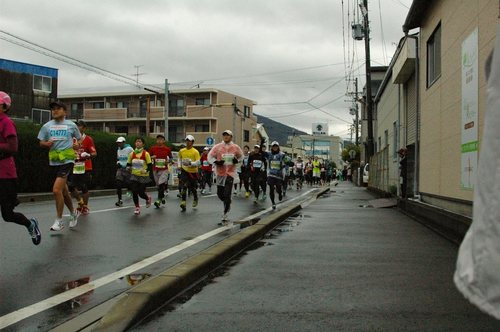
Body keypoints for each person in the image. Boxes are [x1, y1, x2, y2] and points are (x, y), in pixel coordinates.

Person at [0, 91, 41, 245]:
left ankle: (31, 225)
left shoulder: (7, 123)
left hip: (5, 174)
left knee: (7, 215)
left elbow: (12, 146)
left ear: (5, 107)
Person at [38, 101, 81, 231]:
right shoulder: (47, 126)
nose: (55, 111)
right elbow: (41, 142)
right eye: (53, 109)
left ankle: (59, 221)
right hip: (54, 160)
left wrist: (77, 145)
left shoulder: (71, 125)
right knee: (63, 191)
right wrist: (47, 144)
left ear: (65, 112)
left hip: (67, 160)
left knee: (56, 190)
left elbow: (79, 139)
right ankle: (74, 212)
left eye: (58, 109)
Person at [208, 130, 243, 222]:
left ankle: (225, 212)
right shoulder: (218, 147)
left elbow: (241, 157)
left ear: (231, 137)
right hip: (220, 173)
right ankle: (228, 201)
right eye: (224, 135)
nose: (226, 137)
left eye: (228, 135)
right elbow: (210, 157)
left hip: (230, 174)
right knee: (220, 194)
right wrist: (216, 162)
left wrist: (237, 161)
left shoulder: (235, 147)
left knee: (227, 194)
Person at [68, 120, 96, 215]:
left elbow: (94, 153)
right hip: (74, 165)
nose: (77, 127)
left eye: (79, 126)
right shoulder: (71, 139)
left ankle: (86, 206)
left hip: (85, 165)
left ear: (84, 128)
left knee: (84, 186)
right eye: (76, 125)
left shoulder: (88, 139)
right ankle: (80, 202)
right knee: (70, 185)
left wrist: (88, 154)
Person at [126, 137, 152, 215]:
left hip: (143, 176)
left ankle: (147, 198)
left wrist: (146, 170)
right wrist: (128, 166)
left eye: (139, 142)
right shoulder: (132, 154)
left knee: (141, 193)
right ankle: (137, 207)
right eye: (136, 141)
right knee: (134, 191)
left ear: (143, 144)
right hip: (134, 174)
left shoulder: (145, 153)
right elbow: (128, 163)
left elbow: (150, 165)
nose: (137, 143)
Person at [177, 135, 201, 211]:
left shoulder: (195, 152)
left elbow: (198, 162)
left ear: (192, 142)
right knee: (184, 185)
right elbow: (179, 158)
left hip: (193, 171)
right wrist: (179, 165)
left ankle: (195, 197)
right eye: (186, 141)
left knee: (192, 187)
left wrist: (190, 164)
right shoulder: (182, 151)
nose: (187, 142)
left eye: (189, 141)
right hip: (184, 170)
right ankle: (183, 202)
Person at [261, 140, 287, 210]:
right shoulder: (268, 154)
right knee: (271, 189)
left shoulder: (282, 155)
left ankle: (280, 193)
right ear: (271, 147)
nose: (275, 147)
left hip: (279, 175)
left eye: (276, 146)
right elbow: (261, 152)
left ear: (278, 147)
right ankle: (273, 203)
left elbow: (287, 160)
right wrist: (261, 143)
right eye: (273, 146)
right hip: (270, 174)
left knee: (278, 188)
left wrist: (289, 163)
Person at [149, 134, 172, 208]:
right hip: (155, 169)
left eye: (161, 139)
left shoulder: (167, 149)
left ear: (164, 141)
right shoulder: (153, 148)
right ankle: (162, 197)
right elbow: (147, 157)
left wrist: (169, 161)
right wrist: (152, 157)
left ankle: (158, 200)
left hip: (164, 169)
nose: (159, 141)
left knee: (161, 183)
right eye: (158, 139)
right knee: (158, 185)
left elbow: (171, 158)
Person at [115, 136, 134, 206]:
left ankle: (130, 190)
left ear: (124, 142)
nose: (119, 144)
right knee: (118, 182)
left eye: (120, 142)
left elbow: (134, 157)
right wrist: (118, 163)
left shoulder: (129, 149)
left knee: (129, 183)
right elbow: (118, 159)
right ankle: (119, 199)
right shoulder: (118, 150)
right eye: (118, 143)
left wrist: (129, 165)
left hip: (128, 169)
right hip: (120, 169)